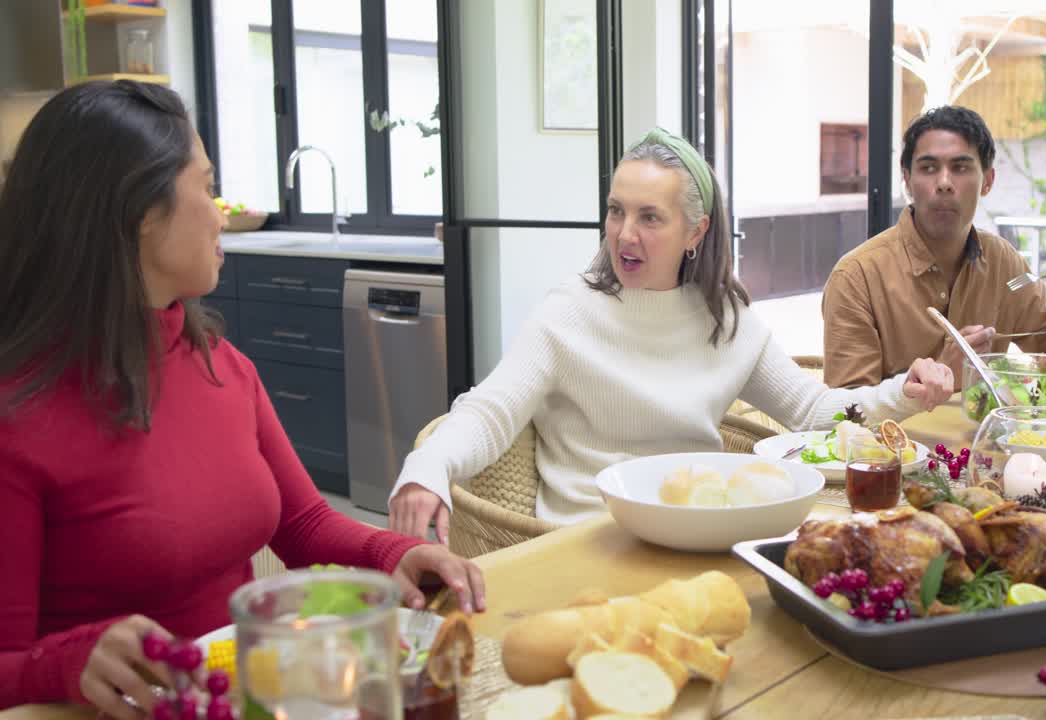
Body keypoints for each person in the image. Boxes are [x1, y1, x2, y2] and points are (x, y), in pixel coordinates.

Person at [0, 81, 485, 717]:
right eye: (205, 187)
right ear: (140, 213)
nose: (220, 212)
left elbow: (304, 524)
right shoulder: (18, 420)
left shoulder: (224, 368)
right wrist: (61, 662)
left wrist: (396, 551)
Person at [388, 127, 955, 540]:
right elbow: (489, 412)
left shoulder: (727, 322)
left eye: (649, 217)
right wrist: (426, 469)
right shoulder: (567, 314)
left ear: (696, 231)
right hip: (588, 541)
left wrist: (902, 391)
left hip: (705, 536)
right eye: (616, 212)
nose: (624, 234)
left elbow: (812, 410)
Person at [821, 106, 1046, 391]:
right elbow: (848, 414)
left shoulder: (1003, 263)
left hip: (992, 436)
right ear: (907, 180)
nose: (944, 183)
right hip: (903, 438)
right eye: (928, 168)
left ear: (988, 181)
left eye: (960, 168)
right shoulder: (857, 277)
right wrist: (940, 374)